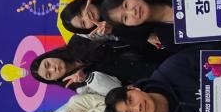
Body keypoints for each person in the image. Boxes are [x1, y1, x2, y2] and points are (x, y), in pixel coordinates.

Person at [30, 36, 163, 91]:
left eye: (48, 64)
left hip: (145, 46)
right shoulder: (80, 88)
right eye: (49, 74)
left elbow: (109, 33)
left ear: (50, 56)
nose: (53, 69)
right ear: (54, 80)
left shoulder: (76, 41)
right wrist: (87, 78)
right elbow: (115, 90)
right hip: (145, 74)